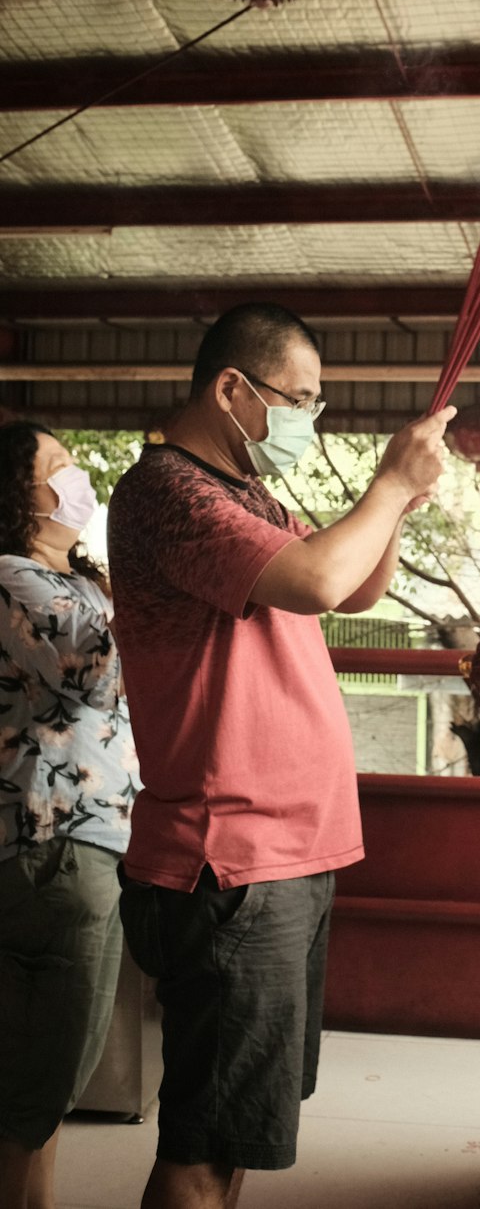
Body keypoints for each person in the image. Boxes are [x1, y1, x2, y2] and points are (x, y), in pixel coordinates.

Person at [107, 302, 454, 1209]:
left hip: (287, 853)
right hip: (229, 860)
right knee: (203, 1148)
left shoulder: (250, 496)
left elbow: (354, 588)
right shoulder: (168, 493)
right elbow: (318, 578)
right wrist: (384, 481)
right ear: (231, 389)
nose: (307, 422)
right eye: (297, 401)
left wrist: (401, 503)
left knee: (236, 1138)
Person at [0, 422, 137, 1209]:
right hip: (51, 838)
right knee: (38, 1083)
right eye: (60, 468)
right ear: (19, 493)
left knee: (44, 1084)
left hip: (88, 834)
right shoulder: (13, 575)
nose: (79, 480)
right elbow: (95, 672)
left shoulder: (79, 580)